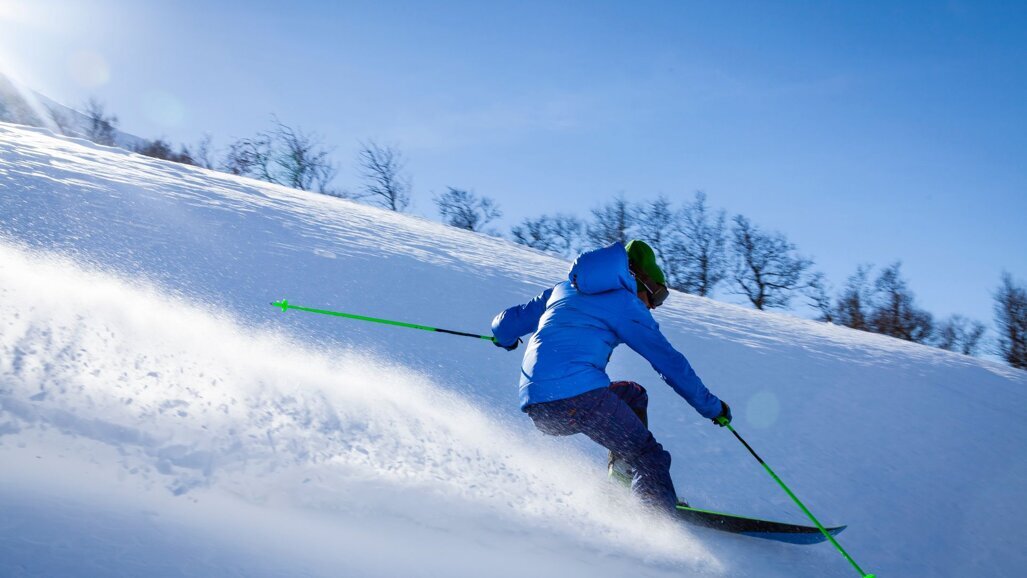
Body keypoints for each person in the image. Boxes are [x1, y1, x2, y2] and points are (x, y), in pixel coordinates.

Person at [491, 240, 731, 514]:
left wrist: (505, 339)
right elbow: (670, 363)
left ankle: (620, 486)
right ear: (640, 280)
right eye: (658, 295)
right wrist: (712, 407)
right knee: (649, 456)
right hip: (579, 398)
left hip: (539, 407)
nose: (654, 306)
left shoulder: (563, 289)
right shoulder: (625, 304)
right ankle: (656, 519)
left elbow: (505, 324)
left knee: (633, 395)